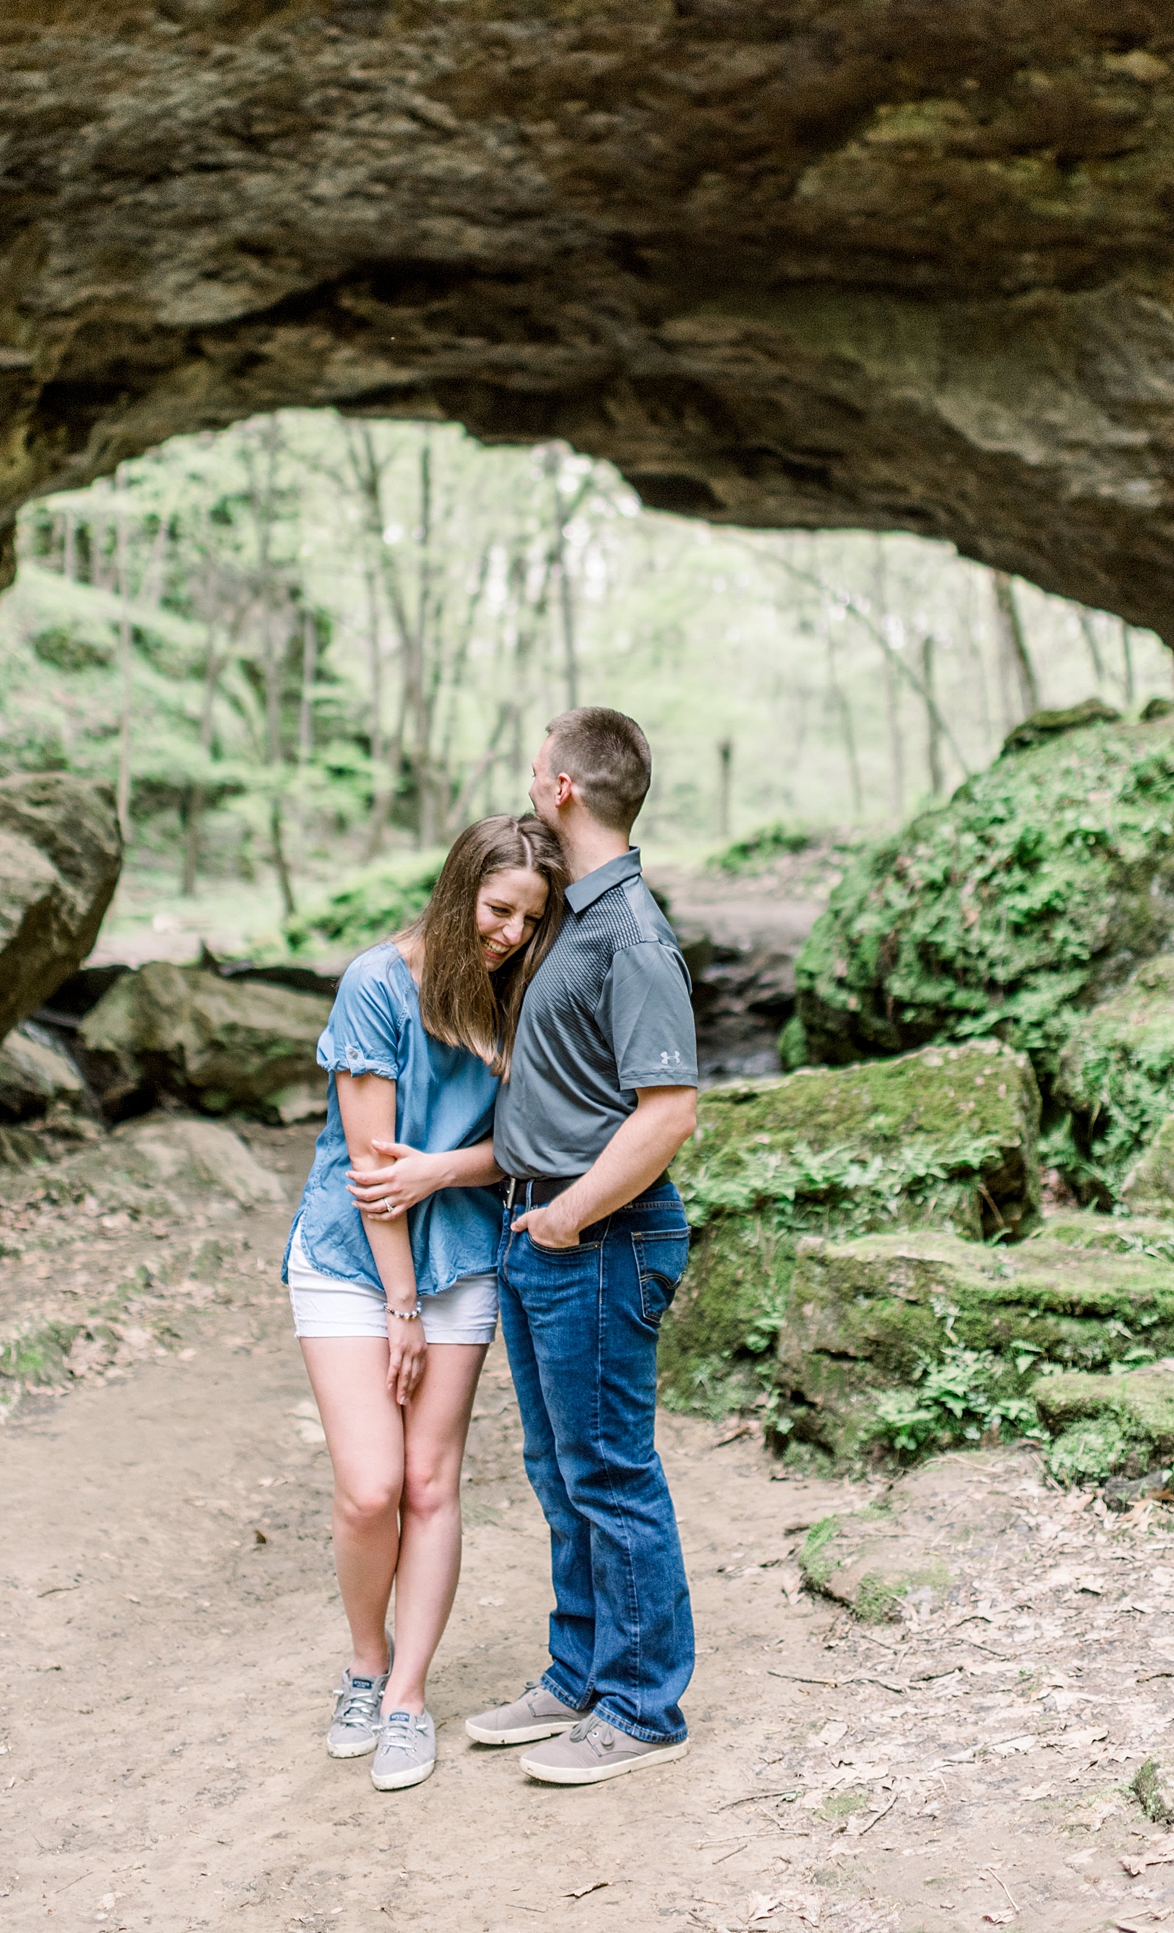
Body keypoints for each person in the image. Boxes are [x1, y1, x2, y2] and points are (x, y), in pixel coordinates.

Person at [285, 813, 567, 1793]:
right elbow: (373, 1173)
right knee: (370, 1488)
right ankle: (365, 1664)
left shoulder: (516, 993)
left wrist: (446, 1168)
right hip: (351, 1259)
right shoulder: (377, 983)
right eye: (498, 911)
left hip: (464, 1259)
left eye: (529, 920)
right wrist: (399, 1305)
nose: (510, 935)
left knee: (431, 1481)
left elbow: (530, 1145)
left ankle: (408, 1695)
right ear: (459, 893)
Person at [463, 708, 700, 1785]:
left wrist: (569, 1216)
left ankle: (644, 1706)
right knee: (562, 1475)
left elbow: (667, 1112)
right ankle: (579, 1674)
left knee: (609, 1473)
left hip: (596, 1237)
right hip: (538, 1226)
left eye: (532, 767)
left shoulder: (632, 932)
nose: (527, 781)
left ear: (562, 786)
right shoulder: (572, 917)